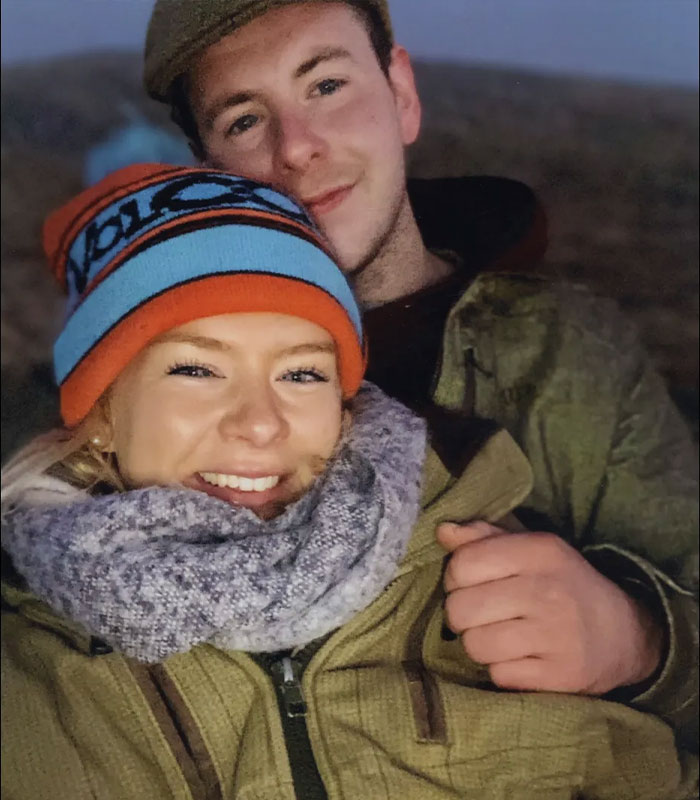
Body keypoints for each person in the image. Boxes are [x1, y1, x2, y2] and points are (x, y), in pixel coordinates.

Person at [1, 164, 696, 800]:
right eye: (196, 369)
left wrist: (644, 643)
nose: (261, 423)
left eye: (301, 373)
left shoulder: (484, 562)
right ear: (101, 415)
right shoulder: (24, 677)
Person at [141, 0, 698, 746]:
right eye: (244, 120)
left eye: (327, 85)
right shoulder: (154, 383)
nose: (298, 148)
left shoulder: (572, 352)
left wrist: (639, 640)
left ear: (401, 94)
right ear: (210, 170)